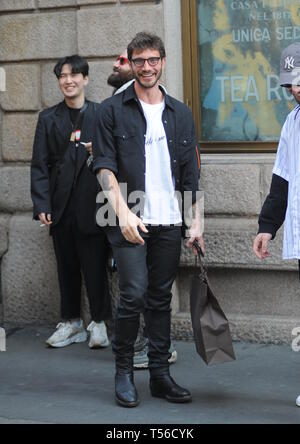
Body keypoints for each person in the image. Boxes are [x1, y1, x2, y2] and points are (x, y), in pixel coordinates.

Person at [92, 32, 203, 407]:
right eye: (138, 61)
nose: (146, 67)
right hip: (127, 216)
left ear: (163, 61)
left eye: (152, 59)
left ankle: (160, 374)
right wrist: (122, 213)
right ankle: (123, 371)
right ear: (131, 64)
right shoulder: (111, 109)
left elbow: (190, 173)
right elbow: (103, 165)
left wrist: (195, 220)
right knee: (133, 294)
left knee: (159, 298)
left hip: (169, 220)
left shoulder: (180, 112)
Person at [31, 55, 111, 349]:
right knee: (65, 268)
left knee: (95, 266)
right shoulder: (48, 118)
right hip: (61, 207)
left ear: (86, 79)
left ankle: (100, 323)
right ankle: (71, 322)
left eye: (74, 75)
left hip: (94, 204)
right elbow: (39, 165)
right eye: (63, 76)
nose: (68, 80)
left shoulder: (102, 114)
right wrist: (42, 205)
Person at [253, 42, 300, 408]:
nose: (297, 89)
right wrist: (267, 226)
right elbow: (282, 179)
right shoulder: (292, 122)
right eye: (291, 84)